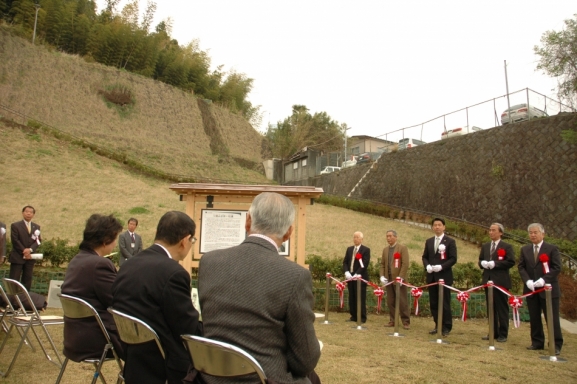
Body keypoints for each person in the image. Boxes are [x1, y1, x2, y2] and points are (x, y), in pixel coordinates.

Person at [198, 192, 321, 384]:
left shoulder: (209, 262)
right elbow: (305, 360)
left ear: (248, 221)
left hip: (210, 377)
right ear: (289, 232)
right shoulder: (295, 276)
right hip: (263, 378)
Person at [112, 211, 202, 384]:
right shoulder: (173, 273)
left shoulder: (128, 266)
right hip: (166, 368)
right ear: (185, 240)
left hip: (134, 362)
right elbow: (188, 330)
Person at [61, 214, 125, 361]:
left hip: (74, 338)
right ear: (105, 241)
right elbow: (119, 301)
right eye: (115, 239)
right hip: (97, 340)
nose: (115, 244)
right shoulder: (99, 265)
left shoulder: (77, 260)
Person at [518, 223, 563, 355]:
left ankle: (555, 344)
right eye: (530, 232)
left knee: (552, 318)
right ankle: (537, 342)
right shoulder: (525, 249)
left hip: (548, 290)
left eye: (535, 232)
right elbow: (521, 267)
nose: (532, 235)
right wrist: (528, 281)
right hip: (532, 289)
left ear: (542, 234)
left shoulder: (551, 249)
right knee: (534, 316)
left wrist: (544, 280)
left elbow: (556, 267)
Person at [478, 223, 515, 342]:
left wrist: (496, 264)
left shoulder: (506, 246)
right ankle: (492, 332)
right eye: (490, 230)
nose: (491, 232)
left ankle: (503, 333)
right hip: (488, 279)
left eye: (493, 230)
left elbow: (511, 262)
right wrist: (482, 263)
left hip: (500, 281)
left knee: (502, 308)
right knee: (491, 307)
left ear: (500, 233)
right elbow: (480, 260)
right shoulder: (486, 246)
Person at [422, 217, 457, 336]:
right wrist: (427, 266)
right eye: (435, 225)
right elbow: (425, 256)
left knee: (444, 302)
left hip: (444, 277)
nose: (437, 227)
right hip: (432, 277)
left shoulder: (450, 241)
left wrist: (442, 267)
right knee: (434, 303)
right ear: (432, 227)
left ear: (444, 227)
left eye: (439, 225)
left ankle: (446, 326)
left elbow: (453, 258)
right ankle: (438, 324)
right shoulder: (429, 241)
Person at [380, 229, 410, 329]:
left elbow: (405, 264)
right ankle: (393, 320)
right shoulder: (385, 250)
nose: (388, 238)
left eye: (390, 236)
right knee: (390, 301)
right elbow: (382, 264)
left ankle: (406, 321)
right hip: (389, 280)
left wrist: (400, 277)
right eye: (387, 236)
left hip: (399, 280)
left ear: (395, 237)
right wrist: (382, 276)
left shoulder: (402, 248)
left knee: (402, 301)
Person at [9, 206, 42, 290]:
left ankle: (25, 300)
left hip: (30, 258)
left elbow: (38, 241)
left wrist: (30, 250)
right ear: (23, 213)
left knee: (27, 279)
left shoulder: (36, 227)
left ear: (33, 214)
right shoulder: (15, 225)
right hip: (18, 256)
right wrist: (24, 250)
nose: (28, 213)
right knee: (14, 280)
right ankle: (12, 300)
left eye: (31, 212)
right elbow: (15, 240)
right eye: (27, 211)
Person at [342, 231, 371, 323]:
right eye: (354, 237)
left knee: (360, 297)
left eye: (357, 237)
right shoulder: (350, 249)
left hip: (360, 277)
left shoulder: (366, 250)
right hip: (350, 277)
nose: (355, 239)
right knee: (352, 297)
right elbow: (345, 261)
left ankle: (362, 317)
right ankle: (353, 316)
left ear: (362, 239)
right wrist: (346, 272)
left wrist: (357, 273)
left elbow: (365, 264)